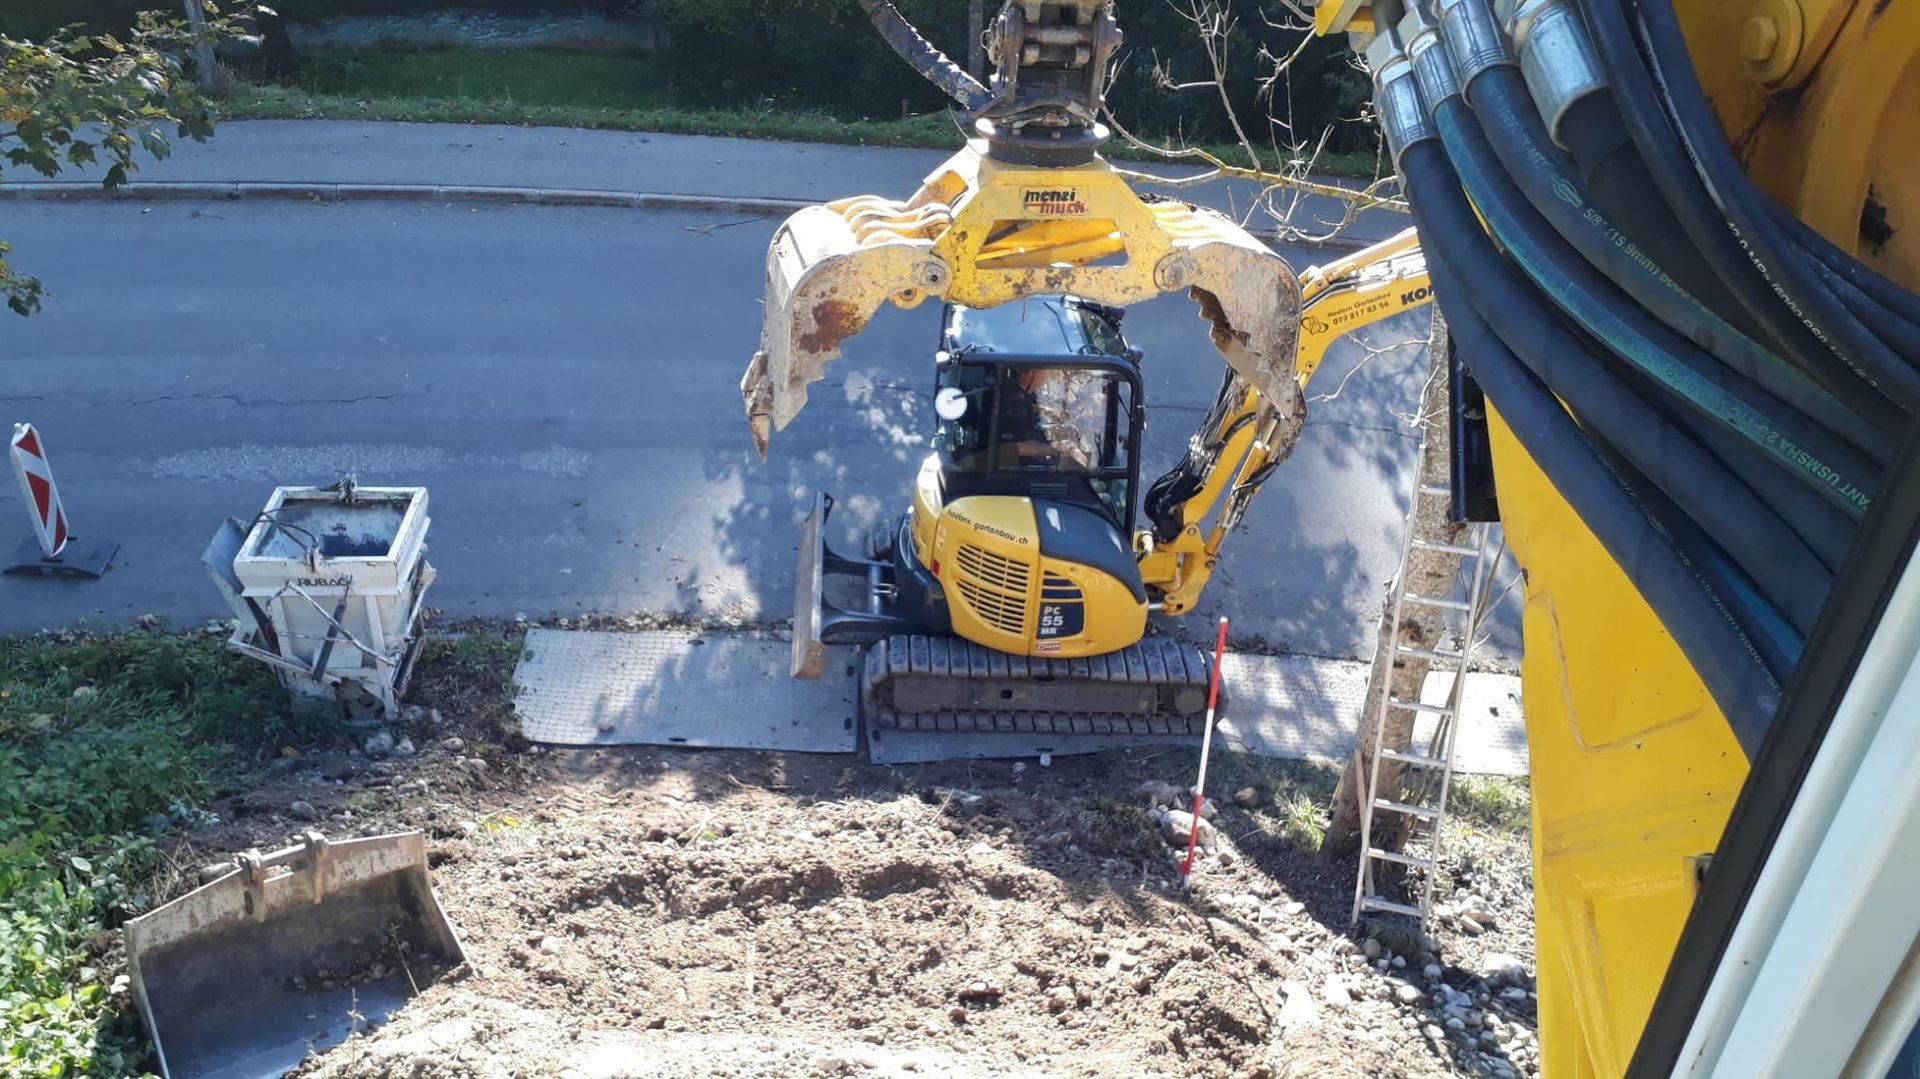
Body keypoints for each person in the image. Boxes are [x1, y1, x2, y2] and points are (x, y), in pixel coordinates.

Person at [996, 367, 1103, 470]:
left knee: (1071, 433)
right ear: (1032, 372)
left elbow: (1026, 407)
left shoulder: (1020, 393)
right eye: (1045, 373)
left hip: (1030, 441)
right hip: (1017, 464)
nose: (1046, 378)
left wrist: (1047, 410)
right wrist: (1047, 451)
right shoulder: (1008, 396)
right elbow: (1017, 445)